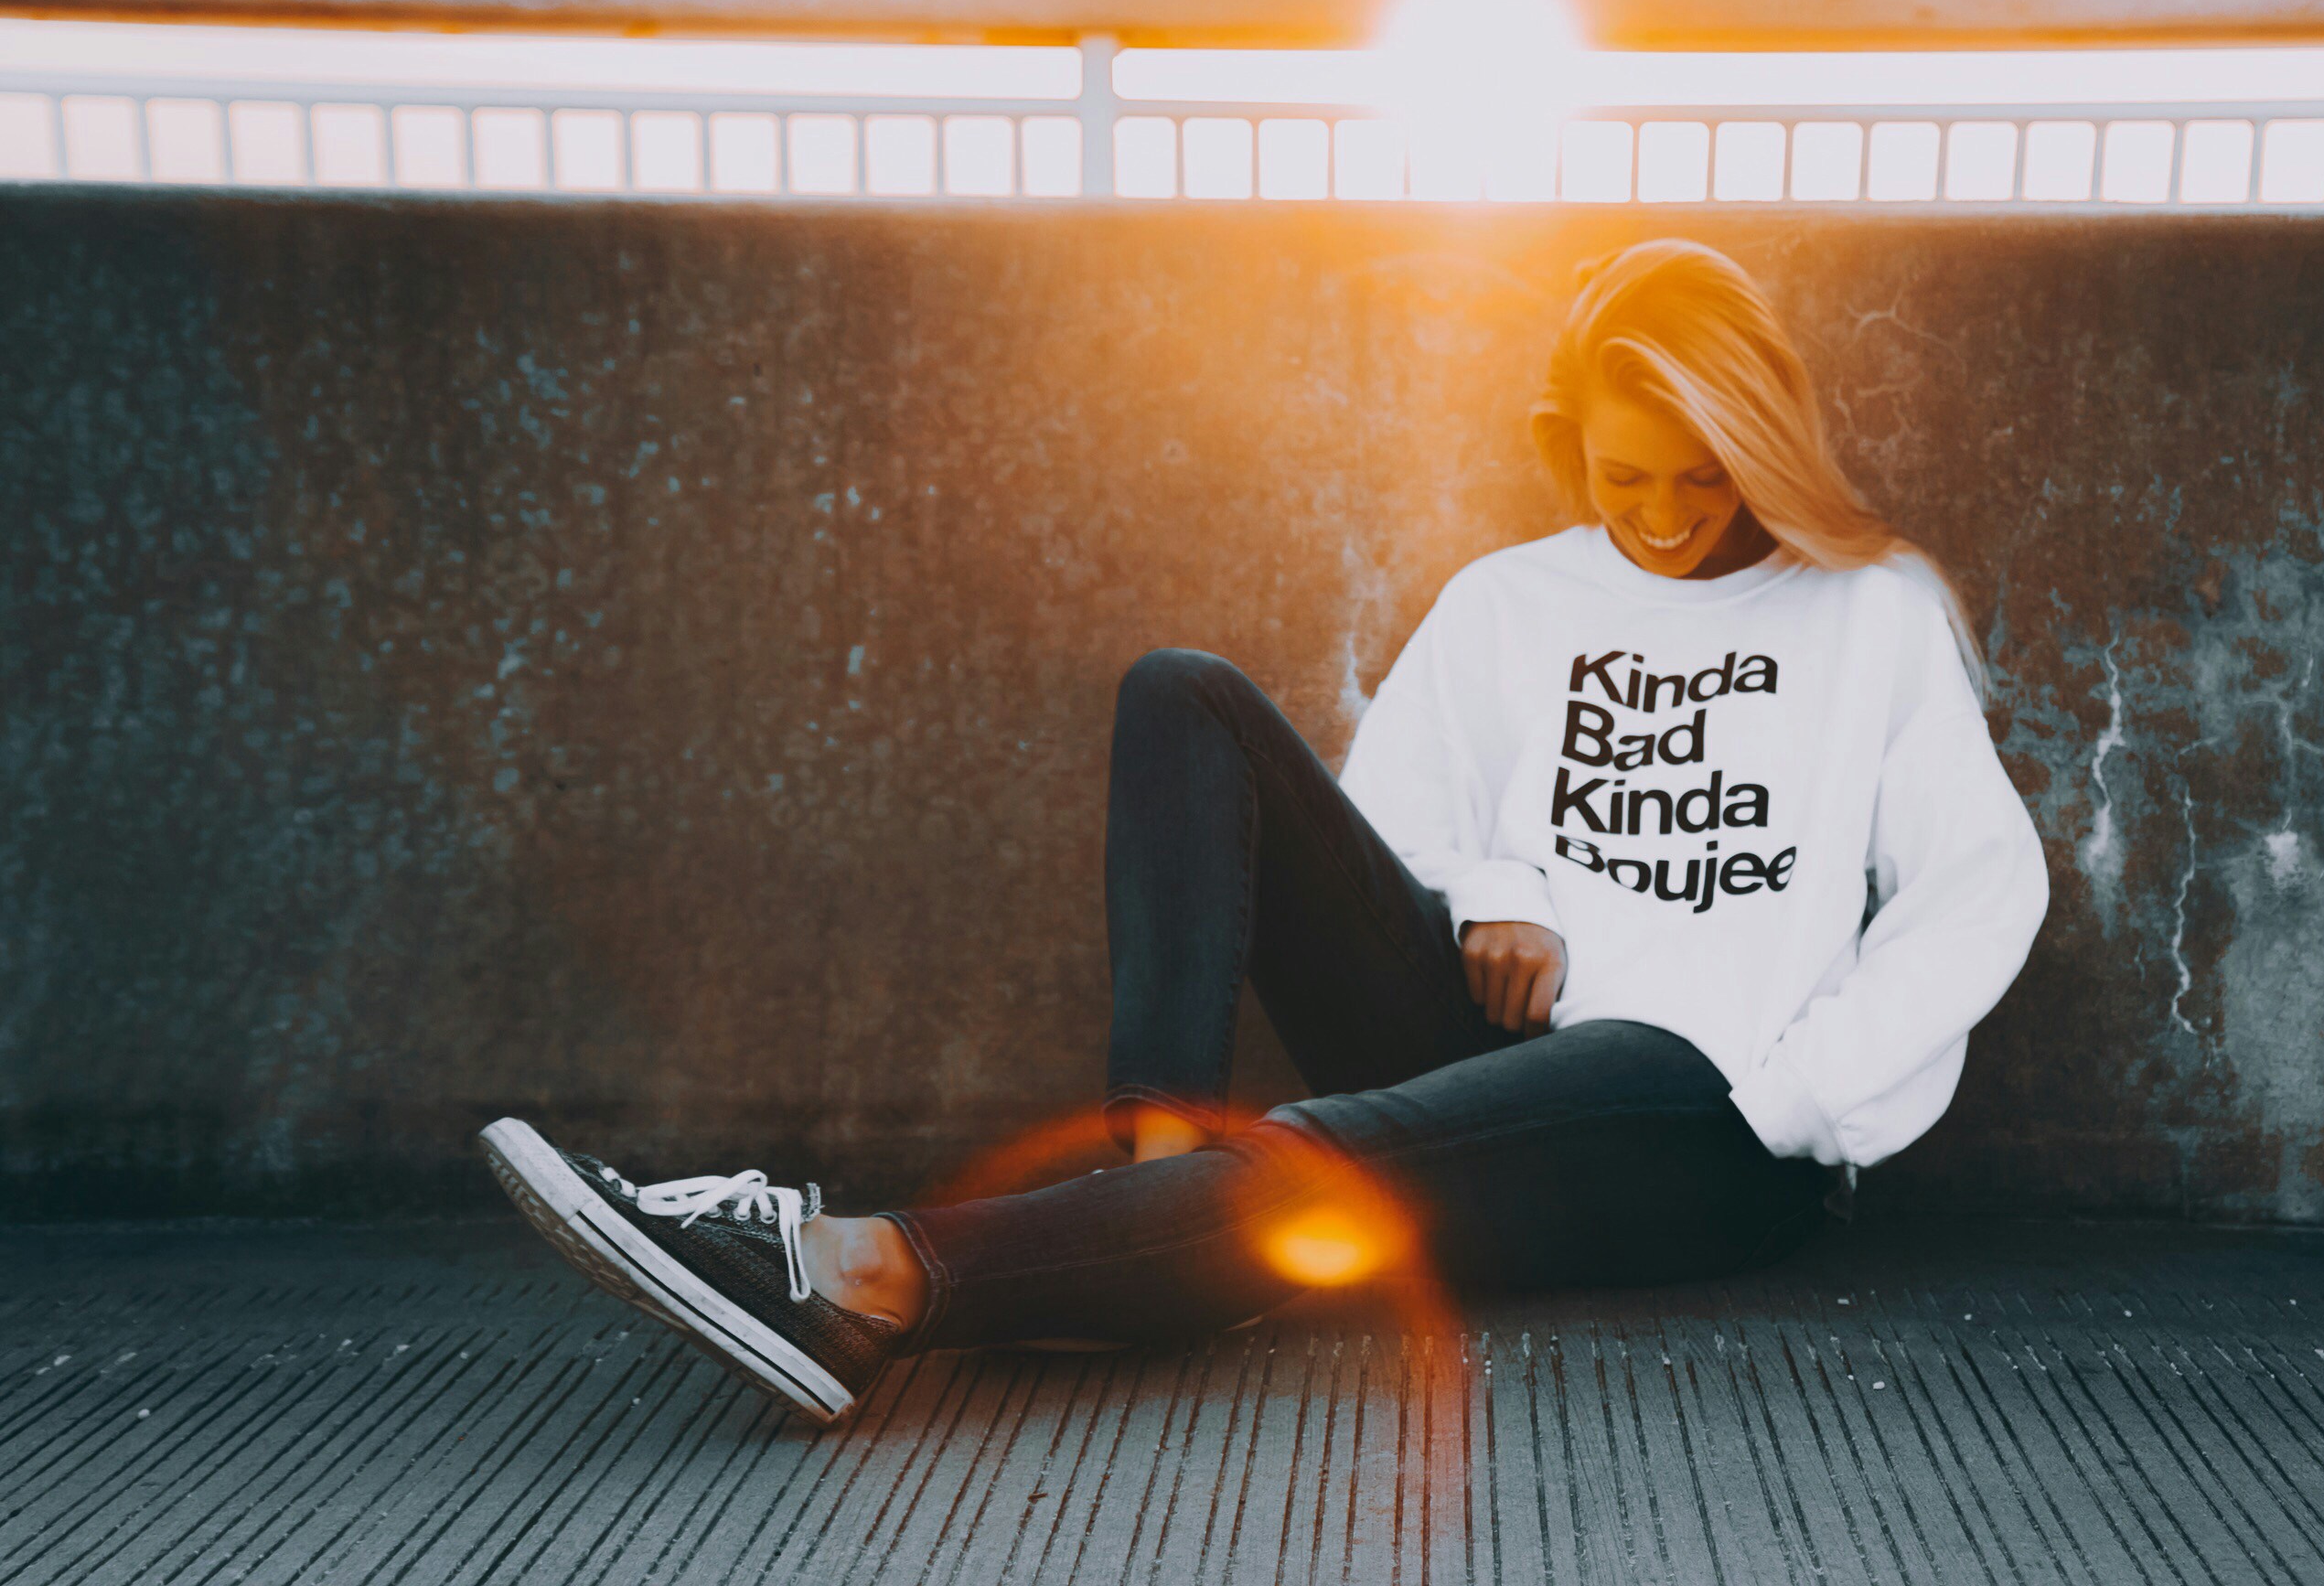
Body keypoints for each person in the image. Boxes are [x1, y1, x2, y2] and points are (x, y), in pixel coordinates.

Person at [479, 238, 2051, 1424]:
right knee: (1187, 696)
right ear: (1561, 437)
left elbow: (1984, 888)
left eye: (1703, 479)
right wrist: (1508, 890)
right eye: (1623, 472)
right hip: (1480, 1044)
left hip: (1699, 1117)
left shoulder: (1869, 614)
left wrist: (1795, 1091)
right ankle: (1153, 1192)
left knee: (1328, 1150)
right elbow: (1399, 827)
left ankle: (855, 1275)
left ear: (1761, 445)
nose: (1659, 511)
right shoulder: (1512, 601)